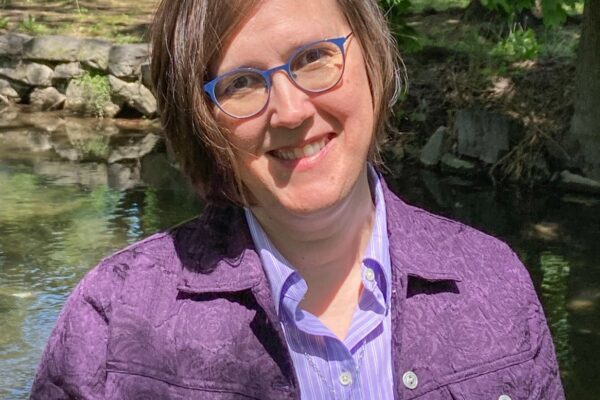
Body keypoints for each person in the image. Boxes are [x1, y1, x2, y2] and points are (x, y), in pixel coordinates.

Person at [31, 0, 565, 399]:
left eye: (313, 57)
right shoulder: (112, 319)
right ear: (200, 122)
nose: (289, 112)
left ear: (373, 60)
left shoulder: (493, 283)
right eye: (241, 83)